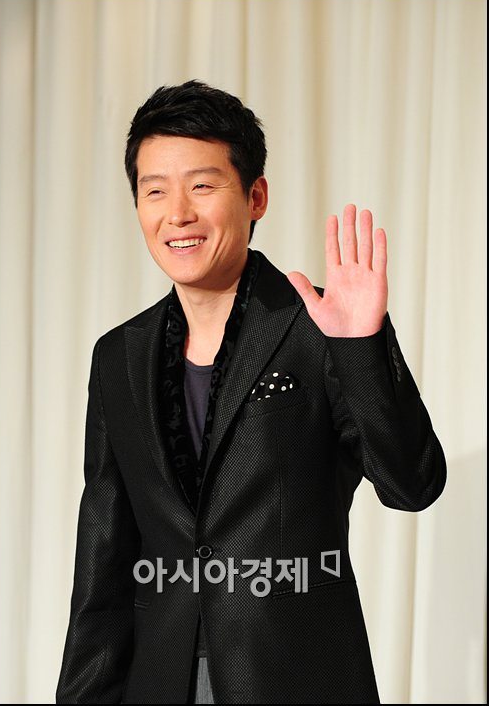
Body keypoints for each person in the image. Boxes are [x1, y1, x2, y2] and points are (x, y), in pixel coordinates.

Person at [56, 80, 446, 704]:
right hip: (160, 680)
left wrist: (360, 347)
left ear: (255, 196)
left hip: (296, 677)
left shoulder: (318, 327)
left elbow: (412, 484)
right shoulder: (117, 358)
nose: (177, 213)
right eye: (154, 191)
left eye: (202, 186)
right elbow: (103, 554)